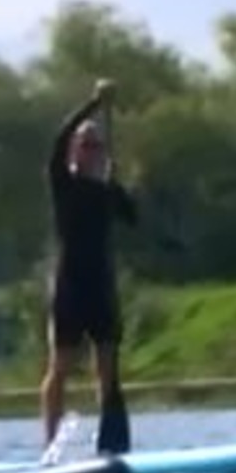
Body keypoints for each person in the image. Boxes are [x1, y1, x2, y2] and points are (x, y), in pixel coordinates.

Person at [41, 79, 137, 452]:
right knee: (60, 367)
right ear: (74, 151)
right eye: (85, 145)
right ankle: (49, 446)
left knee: (109, 369)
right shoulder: (61, 180)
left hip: (101, 286)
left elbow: (133, 218)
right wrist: (93, 104)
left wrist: (118, 185)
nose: (91, 151)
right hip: (69, 285)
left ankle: (111, 444)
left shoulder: (106, 190)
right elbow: (59, 137)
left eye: (97, 145)